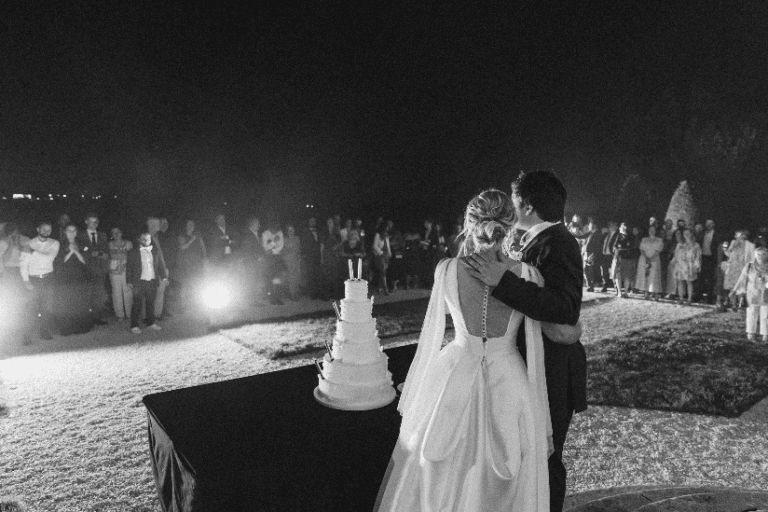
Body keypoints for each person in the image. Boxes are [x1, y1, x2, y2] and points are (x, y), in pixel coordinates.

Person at [378, 189, 578, 512]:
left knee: (438, 469)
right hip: (509, 379)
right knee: (509, 477)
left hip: (453, 372)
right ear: (509, 226)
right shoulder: (528, 275)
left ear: (469, 224)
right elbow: (542, 339)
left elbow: (430, 336)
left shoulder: (446, 270)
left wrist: (418, 389)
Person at [461, 172, 587, 512]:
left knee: (546, 455)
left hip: (554, 371)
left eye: (515, 201)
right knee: (526, 453)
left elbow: (566, 307)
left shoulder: (559, 243)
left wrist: (504, 282)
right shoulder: (538, 241)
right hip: (533, 364)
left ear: (527, 205)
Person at [20, 221, 60, 342]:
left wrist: (32, 250)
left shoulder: (54, 243)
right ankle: (27, 335)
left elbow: (50, 257)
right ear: (38, 229)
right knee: (30, 309)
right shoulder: (30, 243)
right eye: (43, 229)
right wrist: (26, 281)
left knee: (47, 308)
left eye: (49, 230)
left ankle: (45, 332)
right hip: (33, 279)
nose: (46, 232)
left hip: (48, 278)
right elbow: (23, 264)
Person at [53, 224, 94, 335]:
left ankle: (80, 327)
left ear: (76, 232)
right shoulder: (60, 245)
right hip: (65, 278)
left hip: (80, 277)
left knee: (79, 303)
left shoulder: (82, 243)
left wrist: (76, 251)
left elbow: (85, 261)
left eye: (74, 230)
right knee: (66, 303)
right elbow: (59, 262)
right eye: (69, 230)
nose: (71, 233)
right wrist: (70, 251)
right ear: (65, 232)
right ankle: (66, 328)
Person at [126, 229, 168, 334]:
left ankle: (151, 323)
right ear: (139, 239)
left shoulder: (155, 251)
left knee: (150, 303)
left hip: (151, 281)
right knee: (137, 304)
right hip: (138, 282)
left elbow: (160, 266)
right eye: (143, 239)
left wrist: (164, 277)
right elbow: (129, 267)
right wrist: (129, 281)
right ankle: (134, 325)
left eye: (148, 238)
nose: (146, 241)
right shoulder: (133, 252)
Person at [77, 213, 110, 325]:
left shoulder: (103, 235)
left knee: (99, 294)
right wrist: (90, 253)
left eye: (96, 222)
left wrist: (104, 255)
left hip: (100, 269)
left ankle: (97, 317)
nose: (94, 224)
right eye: (91, 221)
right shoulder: (80, 235)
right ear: (86, 222)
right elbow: (79, 251)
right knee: (87, 294)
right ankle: (86, 318)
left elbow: (106, 250)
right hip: (86, 269)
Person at [730, 246, 768, 341]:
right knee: (751, 313)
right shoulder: (749, 266)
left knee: (765, 314)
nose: (761, 256)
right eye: (758, 254)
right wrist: (734, 290)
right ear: (755, 255)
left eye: (764, 254)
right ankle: (751, 334)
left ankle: (765, 335)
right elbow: (741, 279)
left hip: (765, 294)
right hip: (752, 294)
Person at [176, 219, 208, 311]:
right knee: (184, 286)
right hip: (185, 265)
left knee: (197, 285)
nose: (191, 226)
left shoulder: (198, 234)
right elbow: (182, 247)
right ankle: (182, 306)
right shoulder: (182, 236)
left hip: (196, 265)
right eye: (189, 224)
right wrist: (191, 240)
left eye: (192, 225)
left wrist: (205, 258)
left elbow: (203, 246)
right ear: (186, 226)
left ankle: (196, 304)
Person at [723, 230, 754, 308]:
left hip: (742, 268)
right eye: (736, 235)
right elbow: (728, 254)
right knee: (731, 286)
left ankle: (740, 304)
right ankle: (733, 304)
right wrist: (725, 250)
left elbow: (752, 259)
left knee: (741, 287)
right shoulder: (733, 243)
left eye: (738, 235)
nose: (737, 237)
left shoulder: (750, 245)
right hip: (732, 268)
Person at [108, 227, 133, 320]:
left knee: (128, 291)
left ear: (121, 233)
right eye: (114, 232)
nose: (116, 234)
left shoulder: (128, 243)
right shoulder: (109, 244)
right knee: (116, 292)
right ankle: (120, 314)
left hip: (126, 269)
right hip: (114, 271)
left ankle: (130, 313)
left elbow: (132, 255)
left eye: (118, 232)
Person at [240, 216, 266, 304]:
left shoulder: (255, 234)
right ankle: (253, 301)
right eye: (257, 224)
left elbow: (258, 248)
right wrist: (258, 257)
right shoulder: (248, 235)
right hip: (251, 263)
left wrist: (262, 254)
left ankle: (254, 300)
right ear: (251, 225)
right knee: (252, 281)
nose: (259, 225)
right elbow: (247, 250)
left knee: (254, 281)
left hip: (255, 262)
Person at [673, 228, 701, 305]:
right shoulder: (680, 244)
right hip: (681, 265)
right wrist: (677, 264)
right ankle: (681, 298)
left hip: (690, 265)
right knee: (680, 281)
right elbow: (676, 255)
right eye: (685, 233)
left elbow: (697, 257)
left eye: (688, 233)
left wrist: (697, 266)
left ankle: (689, 299)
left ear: (691, 234)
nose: (686, 234)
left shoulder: (696, 245)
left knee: (689, 282)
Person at [635, 225, 664, 300]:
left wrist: (651, 258)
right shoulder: (644, 239)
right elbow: (641, 249)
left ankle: (656, 293)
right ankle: (646, 292)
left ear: (655, 231)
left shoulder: (659, 240)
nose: (652, 231)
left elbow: (659, 250)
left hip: (654, 259)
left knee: (655, 276)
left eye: (653, 230)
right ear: (648, 231)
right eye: (650, 230)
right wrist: (646, 257)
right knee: (646, 275)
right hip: (644, 259)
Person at [262, 221, 287, 304]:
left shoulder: (279, 233)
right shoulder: (265, 234)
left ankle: (278, 298)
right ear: (270, 227)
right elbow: (265, 248)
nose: (276, 231)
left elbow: (281, 245)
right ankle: (272, 298)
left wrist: (274, 250)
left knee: (278, 278)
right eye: (274, 228)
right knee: (270, 278)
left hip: (277, 257)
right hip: (269, 259)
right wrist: (273, 241)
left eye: (277, 228)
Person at [321, 217, 343, 300]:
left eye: (331, 222)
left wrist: (336, 246)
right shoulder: (324, 232)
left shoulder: (336, 232)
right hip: (327, 255)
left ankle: (335, 294)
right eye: (328, 222)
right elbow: (322, 245)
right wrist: (322, 257)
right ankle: (327, 295)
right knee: (327, 276)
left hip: (335, 256)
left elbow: (340, 242)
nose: (330, 223)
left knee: (335, 276)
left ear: (333, 223)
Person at [611, 222, 636, 298]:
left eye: (625, 226)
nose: (624, 228)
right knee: (618, 275)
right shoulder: (616, 236)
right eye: (622, 226)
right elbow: (612, 247)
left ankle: (625, 292)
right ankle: (619, 292)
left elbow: (632, 247)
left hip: (628, 258)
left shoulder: (631, 237)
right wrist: (615, 252)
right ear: (620, 227)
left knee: (627, 276)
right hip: (618, 258)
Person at [300, 216, 323, 299]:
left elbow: (319, 243)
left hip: (317, 256)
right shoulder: (305, 231)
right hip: (309, 256)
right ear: (309, 222)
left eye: (314, 221)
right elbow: (303, 243)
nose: (313, 222)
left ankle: (317, 293)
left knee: (317, 274)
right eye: (311, 221)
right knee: (310, 275)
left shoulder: (318, 231)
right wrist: (304, 254)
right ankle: (312, 294)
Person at [581, 219, 603, 292]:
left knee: (590, 270)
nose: (588, 226)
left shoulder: (597, 234)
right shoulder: (590, 233)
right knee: (586, 270)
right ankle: (589, 285)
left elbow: (597, 246)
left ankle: (591, 286)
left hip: (592, 254)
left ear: (594, 226)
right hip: (587, 253)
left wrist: (593, 255)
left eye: (589, 225)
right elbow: (581, 237)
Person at [282, 224, 302, 301]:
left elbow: (299, 249)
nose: (291, 231)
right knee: (291, 277)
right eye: (289, 230)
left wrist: (299, 259)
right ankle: (292, 294)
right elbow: (283, 250)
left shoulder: (297, 238)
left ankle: (296, 292)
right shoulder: (284, 239)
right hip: (289, 261)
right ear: (287, 231)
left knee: (297, 277)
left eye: (292, 229)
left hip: (296, 260)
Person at [371, 223, 391, 295]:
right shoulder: (378, 235)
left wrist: (389, 253)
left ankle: (379, 288)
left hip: (386, 255)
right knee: (383, 271)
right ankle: (385, 289)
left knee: (382, 272)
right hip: (380, 255)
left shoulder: (386, 235)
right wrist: (381, 253)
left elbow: (387, 245)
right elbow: (375, 246)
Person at [599, 220, 618, 292]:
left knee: (613, 271)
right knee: (604, 271)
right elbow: (600, 243)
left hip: (611, 255)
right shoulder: (606, 235)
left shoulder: (617, 235)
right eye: (609, 225)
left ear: (615, 226)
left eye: (611, 225)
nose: (609, 226)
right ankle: (605, 285)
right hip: (604, 255)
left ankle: (616, 286)